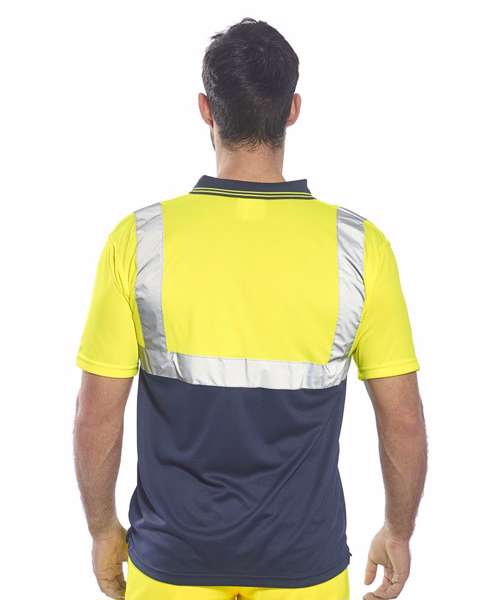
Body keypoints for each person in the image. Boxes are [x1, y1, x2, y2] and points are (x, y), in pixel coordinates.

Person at [73, 17, 427, 600]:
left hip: (171, 561)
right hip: (306, 564)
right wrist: (399, 530)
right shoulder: (360, 247)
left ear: (206, 110)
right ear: (292, 110)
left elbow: (96, 413)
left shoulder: (139, 240)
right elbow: (403, 417)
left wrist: (102, 531)